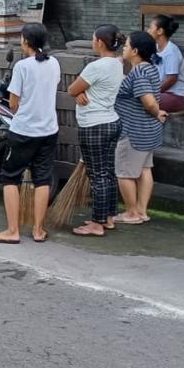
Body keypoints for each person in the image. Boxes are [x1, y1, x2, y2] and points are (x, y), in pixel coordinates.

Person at [0, 23, 61, 245]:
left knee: (10, 177)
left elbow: (13, 103)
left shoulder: (22, 66)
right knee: (42, 179)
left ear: (26, 41)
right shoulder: (54, 62)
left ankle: (13, 231)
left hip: (24, 131)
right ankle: (38, 230)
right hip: (49, 129)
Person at [67, 24, 125, 237]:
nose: (93, 42)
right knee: (108, 172)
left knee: (97, 175)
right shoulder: (117, 64)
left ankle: (97, 223)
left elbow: (72, 88)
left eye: (93, 39)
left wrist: (78, 92)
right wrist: (81, 92)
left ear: (100, 42)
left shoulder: (96, 67)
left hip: (94, 125)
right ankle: (108, 217)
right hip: (111, 122)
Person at [115, 31, 169, 224]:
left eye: (127, 46)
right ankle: (141, 211)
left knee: (124, 173)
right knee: (145, 170)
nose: (124, 48)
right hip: (148, 130)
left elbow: (148, 101)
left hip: (134, 131)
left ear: (135, 51)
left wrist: (156, 112)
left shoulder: (139, 73)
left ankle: (131, 213)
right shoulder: (150, 68)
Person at [147, 15, 184, 112]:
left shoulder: (171, 51)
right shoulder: (155, 47)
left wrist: (154, 92)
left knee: (144, 101)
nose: (148, 31)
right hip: (160, 93)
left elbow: (171, 79)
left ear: (160, 31)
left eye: (150, 28)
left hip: (175, 96)